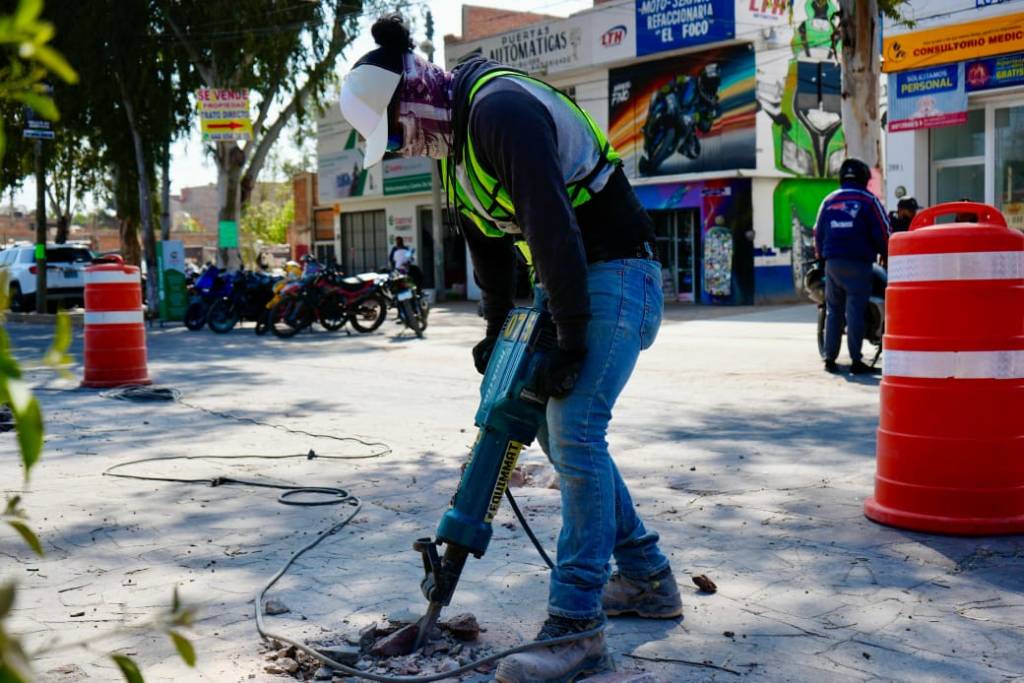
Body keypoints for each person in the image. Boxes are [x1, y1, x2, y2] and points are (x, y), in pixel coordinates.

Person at [340, 15, 680, 683]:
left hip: (617, 270)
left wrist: (571, 332)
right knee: (559, 438)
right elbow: (490, 252)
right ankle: (647, 577)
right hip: (573, 280)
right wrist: (497, 334)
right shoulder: (456, 150)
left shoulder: (499, 111)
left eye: (400, 130)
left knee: (577, 431)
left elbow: (551, 223)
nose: (406, 147)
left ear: (414, 93)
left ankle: (577, 627)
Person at [814, 158, 889, 375]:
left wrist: (822, 257)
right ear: (864, 178)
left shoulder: (828, 200)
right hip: (858, 263)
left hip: (832, 264)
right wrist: (888, 253)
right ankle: (856, 360)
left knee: (834, 311)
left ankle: (830, 359)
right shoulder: (869, 200)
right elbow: (884, 232)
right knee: (855, 310)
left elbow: (818, 233)